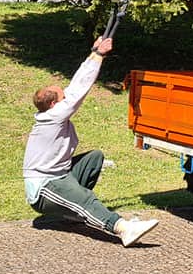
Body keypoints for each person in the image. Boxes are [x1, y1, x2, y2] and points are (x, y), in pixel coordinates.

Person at [22, 36, 159, 247]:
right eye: (62, 96)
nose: (66, 96)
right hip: (44, 187)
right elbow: (80, 89)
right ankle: (123, 229)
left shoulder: (52, 113)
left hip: (60, 175)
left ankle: (72, 210)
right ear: (52, 104)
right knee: (86, 199)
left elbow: (75, 84)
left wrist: (93, 53)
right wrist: (100, 56)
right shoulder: (52, 117)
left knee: (94, 158)